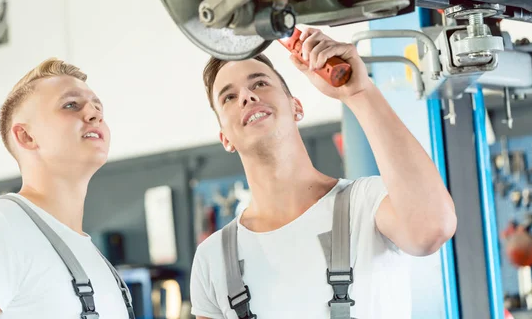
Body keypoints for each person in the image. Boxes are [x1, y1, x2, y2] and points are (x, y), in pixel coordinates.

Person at [190, 27, 457, 318]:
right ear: (225, 138)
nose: (246, 96)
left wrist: (359, 92)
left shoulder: (365, 204)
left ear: (296, 107)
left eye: (260, 84)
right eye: (228, 97)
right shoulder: (212, 259)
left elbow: (432, 229)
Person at [0, 58, 132, 319]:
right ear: (26, 136)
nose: (94, 114)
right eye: (70, 105)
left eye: (98, 108)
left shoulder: (101, 264)